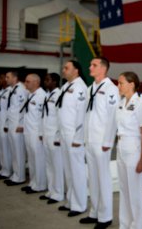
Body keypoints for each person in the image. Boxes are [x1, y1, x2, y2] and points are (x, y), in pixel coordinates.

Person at [79, 57, 118, 229]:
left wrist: (108, 140)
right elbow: (86, 115)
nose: (90, 67)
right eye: (90, 64)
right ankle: (94, 212)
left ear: (103, 68)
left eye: (93, 65)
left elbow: (112, 117)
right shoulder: (90, 89)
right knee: (92, 178)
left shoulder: (111, 89)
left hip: (102, 141)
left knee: (103, 179)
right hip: (89, 139)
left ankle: (105, 216)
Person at [115, 71, 142, 229]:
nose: (118, 86)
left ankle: (136, 225)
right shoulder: (122, 102)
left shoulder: (139, 103)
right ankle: (125, 224)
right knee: (124, 189)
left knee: (135, 191)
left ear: (131, 84)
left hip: (134, 150)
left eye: (121, 83)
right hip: (121, 148)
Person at [57, 60, 88, 217]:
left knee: (77, 170)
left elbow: (82, 115)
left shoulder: (80, 88)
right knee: (68, 170)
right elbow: (61, 112)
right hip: (64, 133)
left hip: (74, 135)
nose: (63, 70)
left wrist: (78, 137)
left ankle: (79, 204)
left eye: (66, 68)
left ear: (76, 70)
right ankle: (70, 200)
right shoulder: (65, 87)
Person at [21, 73, 47, 194]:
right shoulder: (30, 95)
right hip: (28, 131)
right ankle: (33, 182)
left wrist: (41, 133)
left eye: (28, 81)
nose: (25, 83)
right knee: (31, 159)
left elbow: (43, 117)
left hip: (36, 132)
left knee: (38, 159)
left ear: (36, 82)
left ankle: (40, 184)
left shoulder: (42, 96)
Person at [40, 72, 64, 204]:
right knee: (49, 164)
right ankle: (51, 190)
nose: (45, 81)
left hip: (54, 135)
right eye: (45, 79)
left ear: (54, 82)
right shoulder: (47, 95)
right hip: (46, 133)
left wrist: (58, 136)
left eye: (48, 80)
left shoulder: (59, 95)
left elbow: (60, 118)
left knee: (57, 165)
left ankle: (58, 193)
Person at [4, 71, 28, 186]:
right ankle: (15, 174)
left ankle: (20, 177)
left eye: (8, 77)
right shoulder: (12, 89)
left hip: (17, 125)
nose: (6, 79)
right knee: (14, 151)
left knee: (18, 151)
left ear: (14, 78)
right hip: (12, 123)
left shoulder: (21, 89)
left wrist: (21, 124)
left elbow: (23, 108)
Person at [0, 74, 12, 180]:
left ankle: (8, 170)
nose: (1, 80)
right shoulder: (2, 91)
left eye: (4, 78)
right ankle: (3, 168)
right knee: (1, 148)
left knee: (7, 149)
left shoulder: (11, 91)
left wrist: (6, 124)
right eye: (1, 78)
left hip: (6, 124)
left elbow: (10, 110)